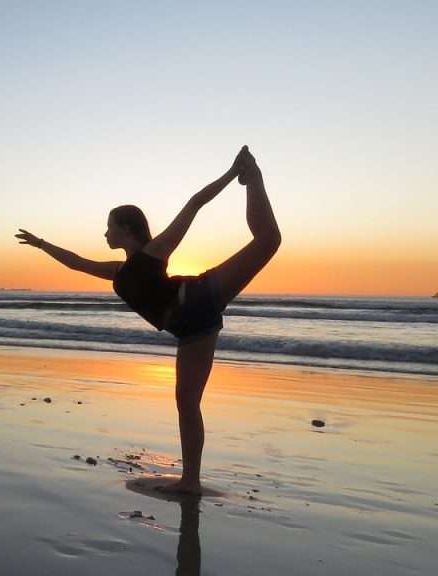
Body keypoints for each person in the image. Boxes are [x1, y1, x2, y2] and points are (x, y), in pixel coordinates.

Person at [15, 146, 281, 495]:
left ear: (126, 228)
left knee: (268, 241)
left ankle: (252, 176)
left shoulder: (154, 252)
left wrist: (233, 174)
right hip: (191, 329)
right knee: (186, 402)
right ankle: (191, 481)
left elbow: (193, 204)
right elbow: (76, 262)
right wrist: (41, 244)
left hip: (200, 296)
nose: (105, 234)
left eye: (108, 227)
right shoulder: (117, 271)